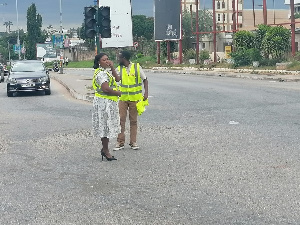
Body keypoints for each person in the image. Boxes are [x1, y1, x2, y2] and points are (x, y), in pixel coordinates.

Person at [113, 51, 149, 151]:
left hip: (135, 99)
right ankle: (120, 142)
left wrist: (146, 93)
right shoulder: (119, 68)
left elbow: (145, 79)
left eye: (119, 57)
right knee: (121, 120)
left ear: (124, 58)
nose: (118, 59)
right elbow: (116, 79)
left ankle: (133, 142)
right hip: (123, 99)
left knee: (133, 121)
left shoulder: (137, 67)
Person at [92, 53, 122, 161]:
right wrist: (117, 93)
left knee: (107, 126)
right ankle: (105, 150)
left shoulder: (106, 72)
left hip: (108, 102)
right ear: (99, 62)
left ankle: (105, 149)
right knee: (105, 126)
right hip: (103, 103)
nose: (107, 61)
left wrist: (112, 67)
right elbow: (105, 88)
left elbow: (117, 79)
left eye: (107, 59)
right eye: (104, 60)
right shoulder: (100, 74)